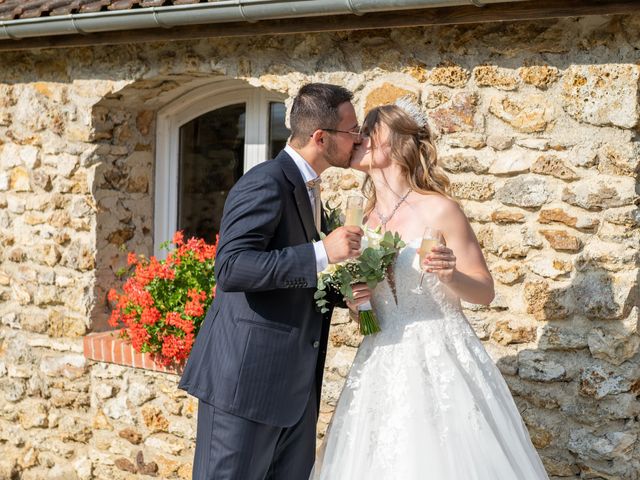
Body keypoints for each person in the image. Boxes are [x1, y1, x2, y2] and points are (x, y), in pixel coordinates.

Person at [312, 101, 549, 479]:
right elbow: (368, 309)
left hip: (440, 352)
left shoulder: (440, 209)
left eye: (371, 130)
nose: (359, 138)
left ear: (399, 143)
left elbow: (485, 291)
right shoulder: (362, 220)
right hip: (380, 356)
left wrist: (451, 274)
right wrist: (359, 304)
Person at [179, 83, 372, 480]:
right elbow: (232, 268)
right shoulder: (264, 182)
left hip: (295, 391)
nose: (358, 139)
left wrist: (343, 292)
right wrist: (322, 253)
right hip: (245, 385)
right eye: (351, 131)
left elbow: (295, 276)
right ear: (321, 138)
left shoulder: (311, 189)